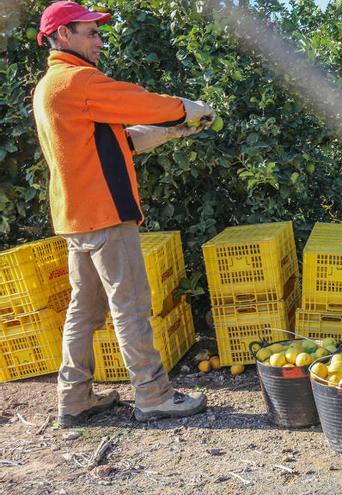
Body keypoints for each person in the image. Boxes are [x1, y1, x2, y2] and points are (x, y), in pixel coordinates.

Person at [32, 1, 215, 427]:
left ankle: (74, 400)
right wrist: (186, 107)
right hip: (105, 213)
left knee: (85, 311)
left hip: (77, 216)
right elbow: (141, 103)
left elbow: (117, 143)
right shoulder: (77, 80)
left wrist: (172, 131)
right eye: (90, 32)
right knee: (130, 305)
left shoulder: (49, 87)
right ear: (63, 35)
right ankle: (153, 395)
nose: (99, 41)